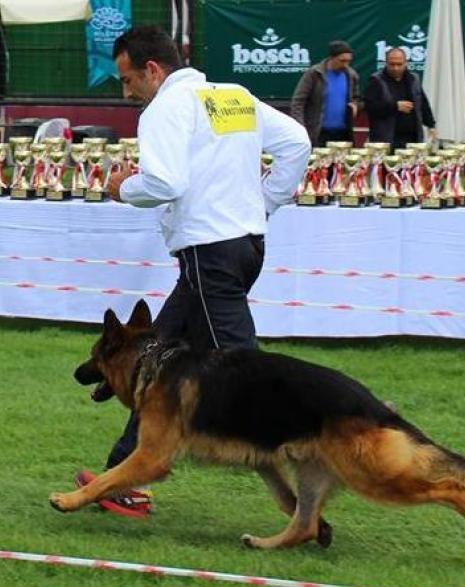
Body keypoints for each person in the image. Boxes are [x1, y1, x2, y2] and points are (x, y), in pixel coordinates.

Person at [75, 26, 311, 517]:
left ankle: (321, 446)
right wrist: (262, 204)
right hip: (242, 247)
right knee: (152, 359)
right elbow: (297, 143)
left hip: (209, 255)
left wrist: (122, 188)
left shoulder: (165, 108)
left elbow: (164, 181)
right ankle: (121, 474)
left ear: (153, 70)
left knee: (246, 373)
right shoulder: (232, 96)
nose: (126, 92)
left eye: (127, 80)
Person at [363, 48, 438, 149]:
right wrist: (395, 106)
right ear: (386, 63)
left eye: (399, 64)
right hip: (387, 139)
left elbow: (423, 103)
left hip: (413, 139)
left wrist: (431, 125)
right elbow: (370, 107)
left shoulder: (413, 79)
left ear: (406, 63)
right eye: (392, 64)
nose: (396, 68)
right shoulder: (376, 80)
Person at [290, 40, 359, 146]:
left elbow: (356, 98)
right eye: (342, 61)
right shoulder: (314, 74)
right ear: (332, 58)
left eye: (348, 61)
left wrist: (355, 105)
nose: (346, 64)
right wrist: (301, 128)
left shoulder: (351, 75)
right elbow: (298, 102)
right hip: (318, 133)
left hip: (343, 134)